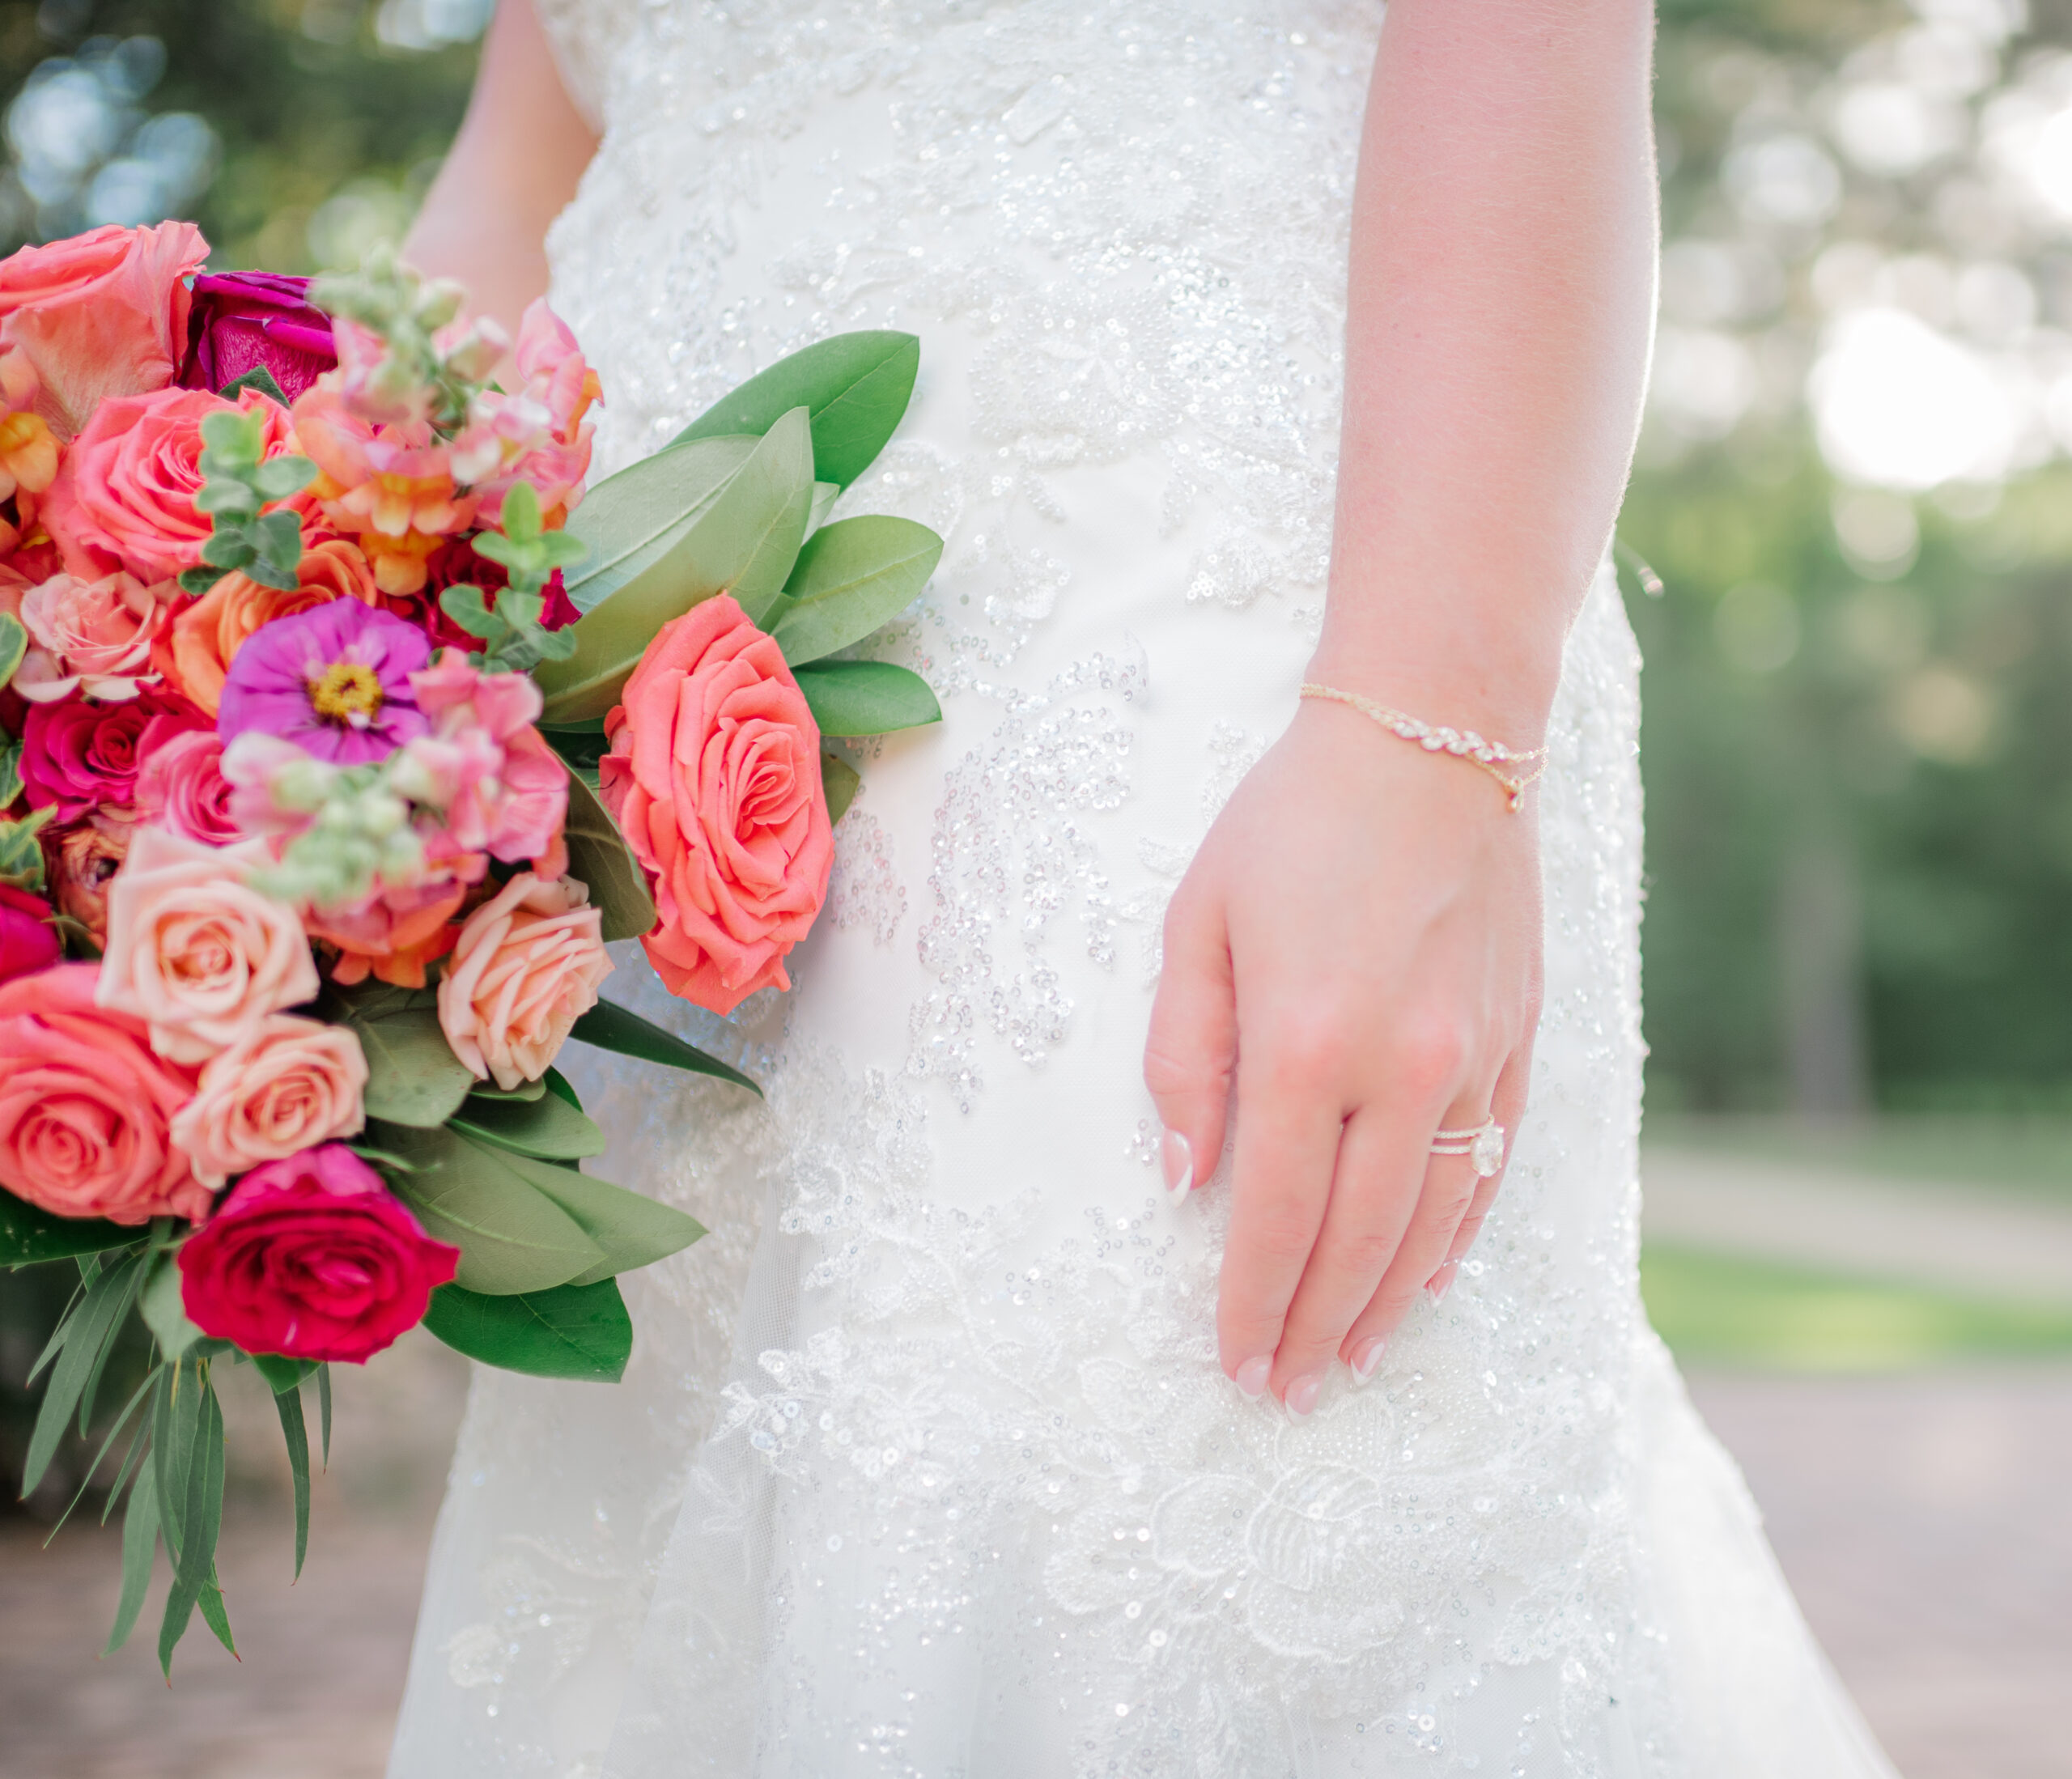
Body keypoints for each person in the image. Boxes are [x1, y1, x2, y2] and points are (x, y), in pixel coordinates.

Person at [388, 2, 1900, 1773]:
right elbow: (517, 168)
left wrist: (1430, 734)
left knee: (1196, 1515)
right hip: (623, 744)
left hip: (1212, 643)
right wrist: (296, 662)